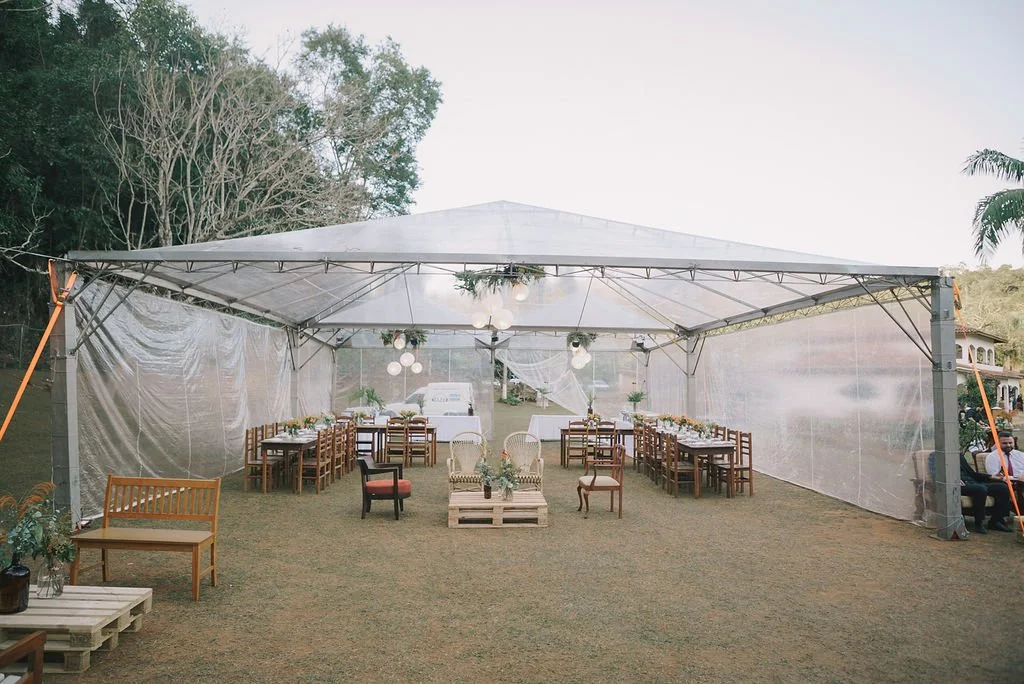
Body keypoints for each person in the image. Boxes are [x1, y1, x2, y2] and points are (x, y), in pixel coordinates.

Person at [960, 452, 1011, 533]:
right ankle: (978, 523)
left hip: (973, 483)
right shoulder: (940, 456)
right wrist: (953, 480)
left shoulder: (959, 455)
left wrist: (991, 476)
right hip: (957, 485)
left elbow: (972, 474)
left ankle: (996, 521)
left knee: (1002, 487)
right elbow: (938, 474)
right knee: (980, 489)